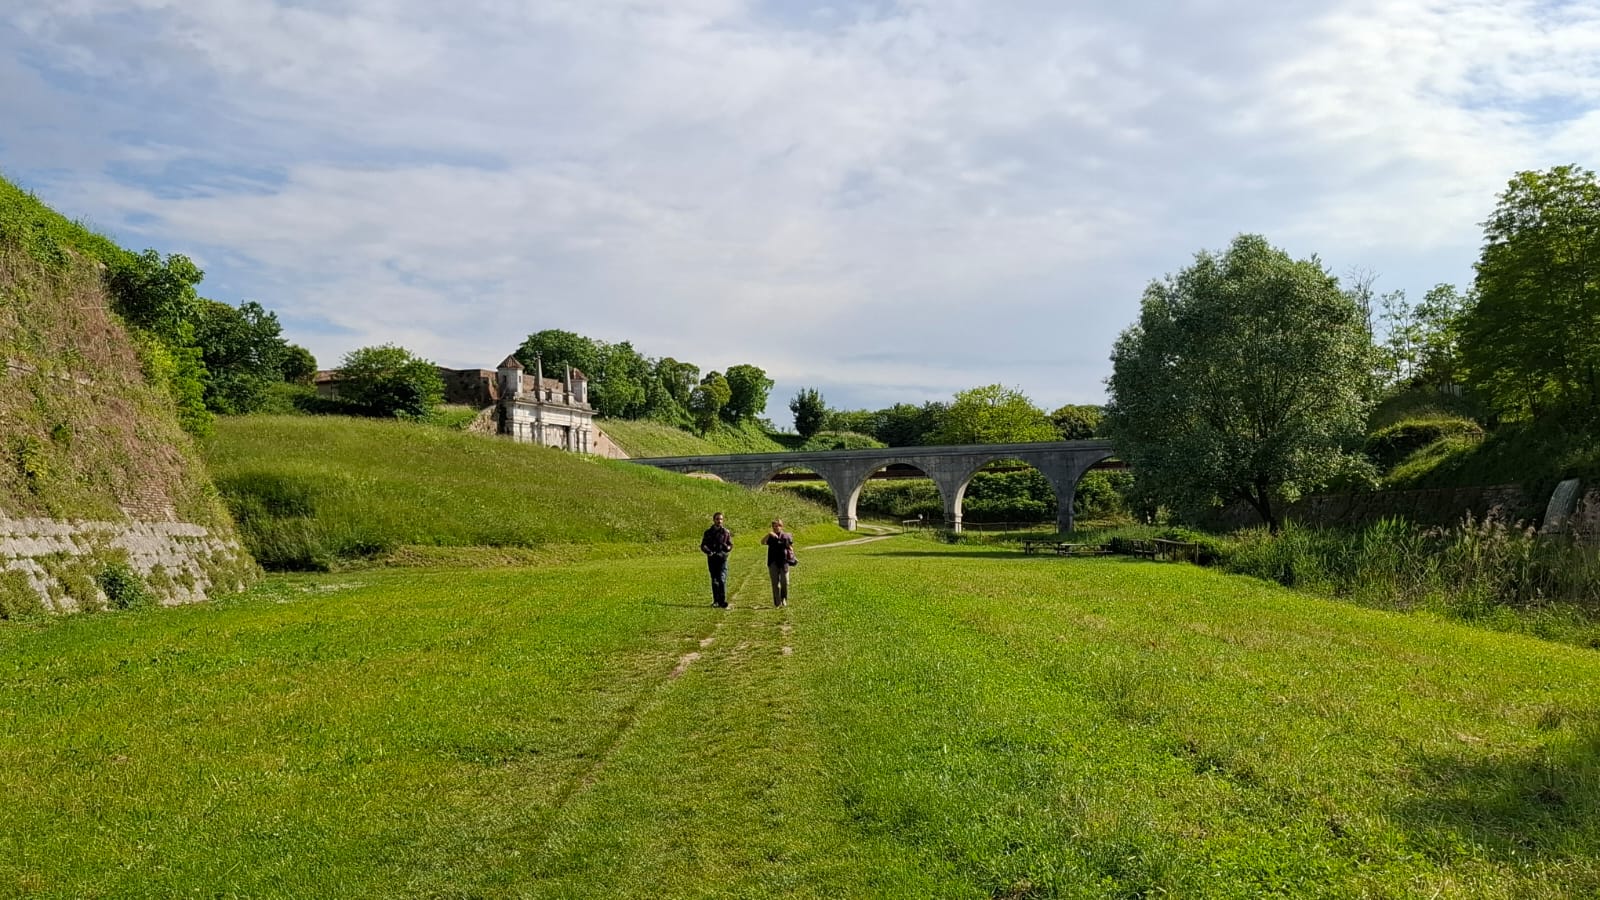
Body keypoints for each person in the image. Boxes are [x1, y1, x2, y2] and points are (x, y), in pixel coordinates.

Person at [700, 512, 733, 608]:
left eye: (721, 519)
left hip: (722, 558)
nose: (719, 521)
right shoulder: (708, 532)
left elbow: (730, 544)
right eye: (717, 519)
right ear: (714, 520)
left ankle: (722, 601)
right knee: (715, 580)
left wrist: (727, 548)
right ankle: (716, 601)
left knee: (722, 579)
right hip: (712, 558)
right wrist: (709, 552)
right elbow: (703, 545)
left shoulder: (726, 532)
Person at [759, 518, 793, 608]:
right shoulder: (771, 536)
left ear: (782, 526)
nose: (776, 528)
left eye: (778, 526)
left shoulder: (786, 536)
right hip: (773, 562)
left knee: (785, 582)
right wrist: (768, 534)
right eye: (774, 526)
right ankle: (777, 602)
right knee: (775, 583)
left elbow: (790, 547)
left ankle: (784, 598)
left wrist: (792, 555)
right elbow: (762, 542)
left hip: (784, 561)